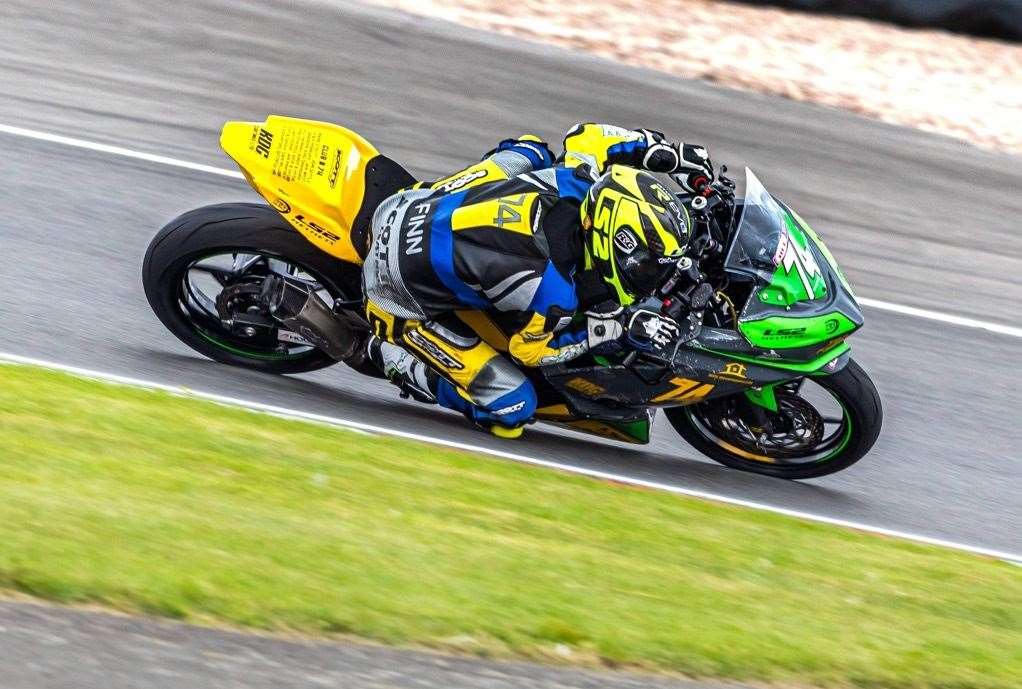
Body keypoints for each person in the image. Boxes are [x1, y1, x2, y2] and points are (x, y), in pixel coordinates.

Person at [360, 123, 714, 437]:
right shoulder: (554, 291)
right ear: (611, 242)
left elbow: (587, 135)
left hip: (417, 201)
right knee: (513, 406)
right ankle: (393, 358)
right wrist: (615, 328)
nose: (650, 273)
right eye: (645, 265)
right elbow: (528, 350)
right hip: (393, 287)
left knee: (533, 151)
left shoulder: (578, 181)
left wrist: (667, 153)